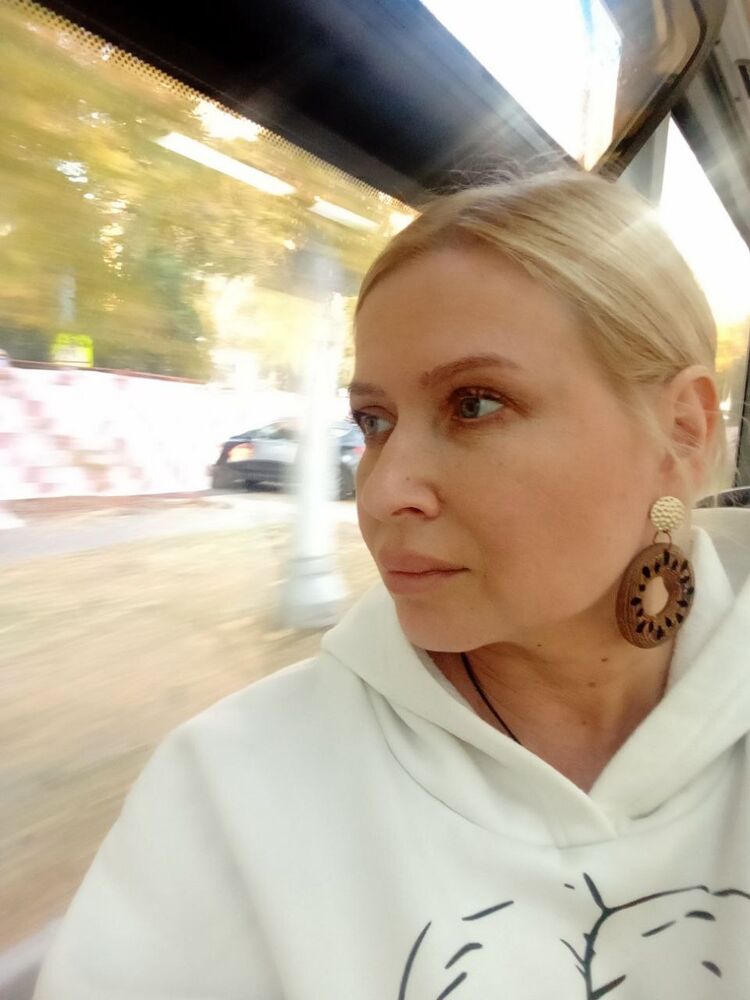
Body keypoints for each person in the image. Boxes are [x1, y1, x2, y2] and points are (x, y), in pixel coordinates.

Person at [34, 169, 750, 999]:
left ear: (682, 433)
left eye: (475, 405)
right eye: (374, 422)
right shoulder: (234, 789)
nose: (381, 493)